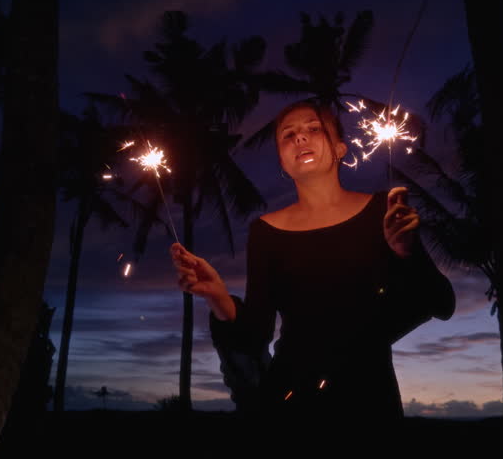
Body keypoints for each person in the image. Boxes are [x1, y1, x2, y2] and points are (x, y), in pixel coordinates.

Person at [169, 100, 456, 422]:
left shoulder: (382, 212)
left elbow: (441, 304)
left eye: (313, 129)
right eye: (288, 136)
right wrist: (217, 295)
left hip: (370, 400)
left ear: (340, 148)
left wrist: (407, 252)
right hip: (290, 402)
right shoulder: (265, 231)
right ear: (282, 160)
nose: (300, 138)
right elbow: (256, 335)